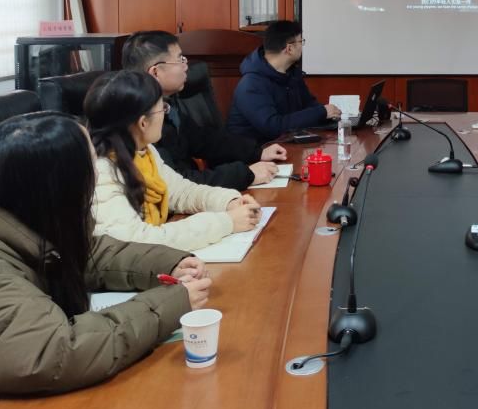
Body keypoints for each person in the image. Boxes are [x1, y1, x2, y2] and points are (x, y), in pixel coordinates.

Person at [0, 112, 211, 409]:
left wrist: (168, 263)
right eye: (90, 163)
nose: (98, 171)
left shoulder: (11, 212)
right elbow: (58, 353)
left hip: (1, 398)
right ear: (57, 185)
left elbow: (87, 254)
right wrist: (173, 302)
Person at [85, 70, 262, 250]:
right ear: (143, 123)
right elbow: (139, 242)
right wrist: (226, 222)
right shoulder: (102, 173)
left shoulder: (144, 151)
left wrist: (228, 202)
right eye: (162, 108)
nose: (165, 114)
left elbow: (181, 192)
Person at [121, 31, 286, 190]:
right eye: (180, 59)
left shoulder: (168, 106)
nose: (186, 66)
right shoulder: (142, 124)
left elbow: (205, 140)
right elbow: (181, 185)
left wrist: (257, 152)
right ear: (155, 72)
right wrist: (246, 174)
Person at [225, 20, 341, 141]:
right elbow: (273, 127)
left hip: (285, 144)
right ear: (289, 48)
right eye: (301, 41)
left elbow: (310, 105)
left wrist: (330, 116)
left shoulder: (292, 75)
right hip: (256, 150)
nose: (302, 46)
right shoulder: (251, 84)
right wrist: (321, 112)